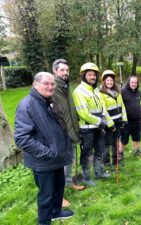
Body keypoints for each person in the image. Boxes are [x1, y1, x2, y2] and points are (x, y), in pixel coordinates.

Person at [14, 72, 74, 225]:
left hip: (57, 157)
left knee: (58, 187)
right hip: (43, 160)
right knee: (46, 194)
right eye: (46, 83)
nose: (50, 87)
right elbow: (22, 138)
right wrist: (49, 153)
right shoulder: (26, 106)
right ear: (35, 84)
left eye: (53, 84)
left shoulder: (49, 101)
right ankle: (44, 222)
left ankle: (55, 212)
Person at [52, 59, 85, 208]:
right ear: (55, 71)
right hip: (59, 133)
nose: (65, 73)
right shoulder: (53, 87)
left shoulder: (66, 86)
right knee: (58, 164)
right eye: (62, 70)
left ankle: (67, 182)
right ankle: (57, 196)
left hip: (70, 131)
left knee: (70, 159)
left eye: (67, 70)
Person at [72, 63, 111, 187]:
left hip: (98, 127)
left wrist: (104, 117)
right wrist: (100, 121)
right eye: (89, 74)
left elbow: (102, 106)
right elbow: (83, 113)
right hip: (87, 129)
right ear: (84, 75)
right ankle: (86, 177)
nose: (93, 77)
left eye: (94, 75)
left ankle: (99, 172)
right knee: (88, 153)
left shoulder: (95, 90)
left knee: (100, 150)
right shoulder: (79, 91)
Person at [99, 70, 127, 168]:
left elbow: (122, 106)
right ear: (104, 81)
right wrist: (111, 125)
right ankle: (106, 163)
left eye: (111, 80)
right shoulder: (101, 94)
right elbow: (104, 111)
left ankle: (115, 161)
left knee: (116, 142)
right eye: (107, 80)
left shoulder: (117, 92)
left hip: (118, 122)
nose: (110, 82)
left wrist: (124, 119)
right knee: (107, 144)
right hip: (108, 124)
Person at [119, 76, 141, 158]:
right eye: (132, 82)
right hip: (126, 121)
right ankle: (120, 153)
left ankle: (137, 151)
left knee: (136, 137)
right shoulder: (123, 91)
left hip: (137, 120)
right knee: (124, 138)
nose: (134, 84)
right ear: (128, 82)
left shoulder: (138, 92)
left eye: (135, 83)